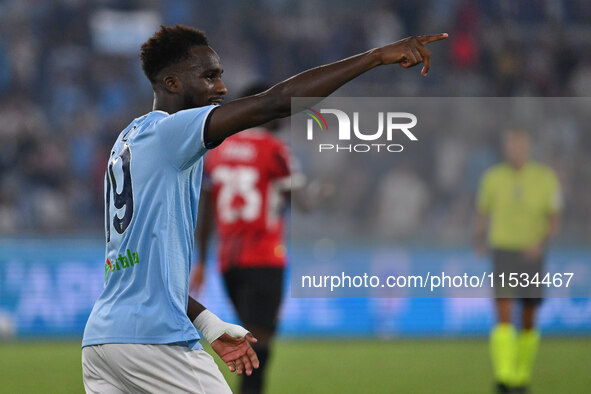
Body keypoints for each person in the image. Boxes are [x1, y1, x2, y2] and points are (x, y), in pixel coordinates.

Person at [82, 24, 447, 393]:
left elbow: (142, 273)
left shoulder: (128, 139)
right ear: (172, 84)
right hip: (154, 341)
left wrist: (208, 323)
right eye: (209, 77)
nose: (222, 88)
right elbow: (276, 101)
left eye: (221, 76)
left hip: (102, 342)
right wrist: (375, 57)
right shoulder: (172, 133)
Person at [190, 81, 323, 394]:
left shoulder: (218, 151)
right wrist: (319, 195)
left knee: (250, 340)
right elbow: (302, 204)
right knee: (258, 348)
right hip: (264, 257)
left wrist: (201, 260)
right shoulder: (275, 149)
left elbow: (206, 210)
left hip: (228, 263)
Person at [475, 130, 562, 394]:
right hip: (503, 250)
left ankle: (521, 376)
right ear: (506, 149)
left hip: (531, 253)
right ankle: (505, 377)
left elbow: (554, 217)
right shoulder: (493, 178)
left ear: (528, 147)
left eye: (520, 145)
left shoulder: (545, 178)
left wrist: (540, 242)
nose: (515, 150)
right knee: (502, 311)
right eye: (511, 145)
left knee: (528, 316)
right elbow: (483, 212)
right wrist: (478, 238)